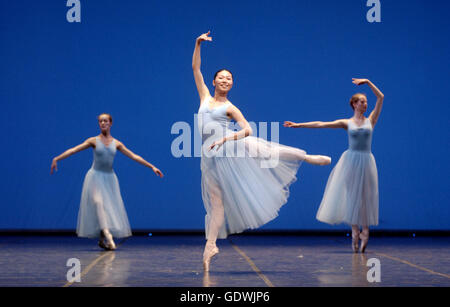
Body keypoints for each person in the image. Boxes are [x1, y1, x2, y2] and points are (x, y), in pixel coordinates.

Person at [193, 31, 331, 271]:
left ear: (231, 84)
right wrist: (198, 44)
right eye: (221, 78)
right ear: (214, 82)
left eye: (229, 79)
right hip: (209, 157)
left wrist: (227, 138)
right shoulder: (204, 96)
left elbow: (247, 129)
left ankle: (306, 157)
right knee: (217, 204)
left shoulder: (230, 107)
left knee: (268, 150)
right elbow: (196, 69)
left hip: (232, 147)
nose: (225, 80)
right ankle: (210, 245)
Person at [284, 78, 384, 253]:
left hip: (367, 160)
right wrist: (299, 125)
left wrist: (368, 82)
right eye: (362, 101)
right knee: (352, 194)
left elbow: (381, 97)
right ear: (354, 104)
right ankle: (354, 229)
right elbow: (322, 124)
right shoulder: (347, 123)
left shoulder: (371, 120)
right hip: (351, 161)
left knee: (366, 195)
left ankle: (365, 229)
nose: (365, 104)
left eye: (366, 102)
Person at [51, 113, 163, 250]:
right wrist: (57, 158)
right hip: (94, 177)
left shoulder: (116, 143)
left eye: (105, 121)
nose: (103, 123)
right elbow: (74, 150)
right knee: (98, 203)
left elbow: (134, 156)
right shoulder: (93, 141)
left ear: (110, 123)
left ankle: (102, 239)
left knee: (106, 208)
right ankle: (108, 235)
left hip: (109, 178)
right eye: (100, 121)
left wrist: (152, 166)